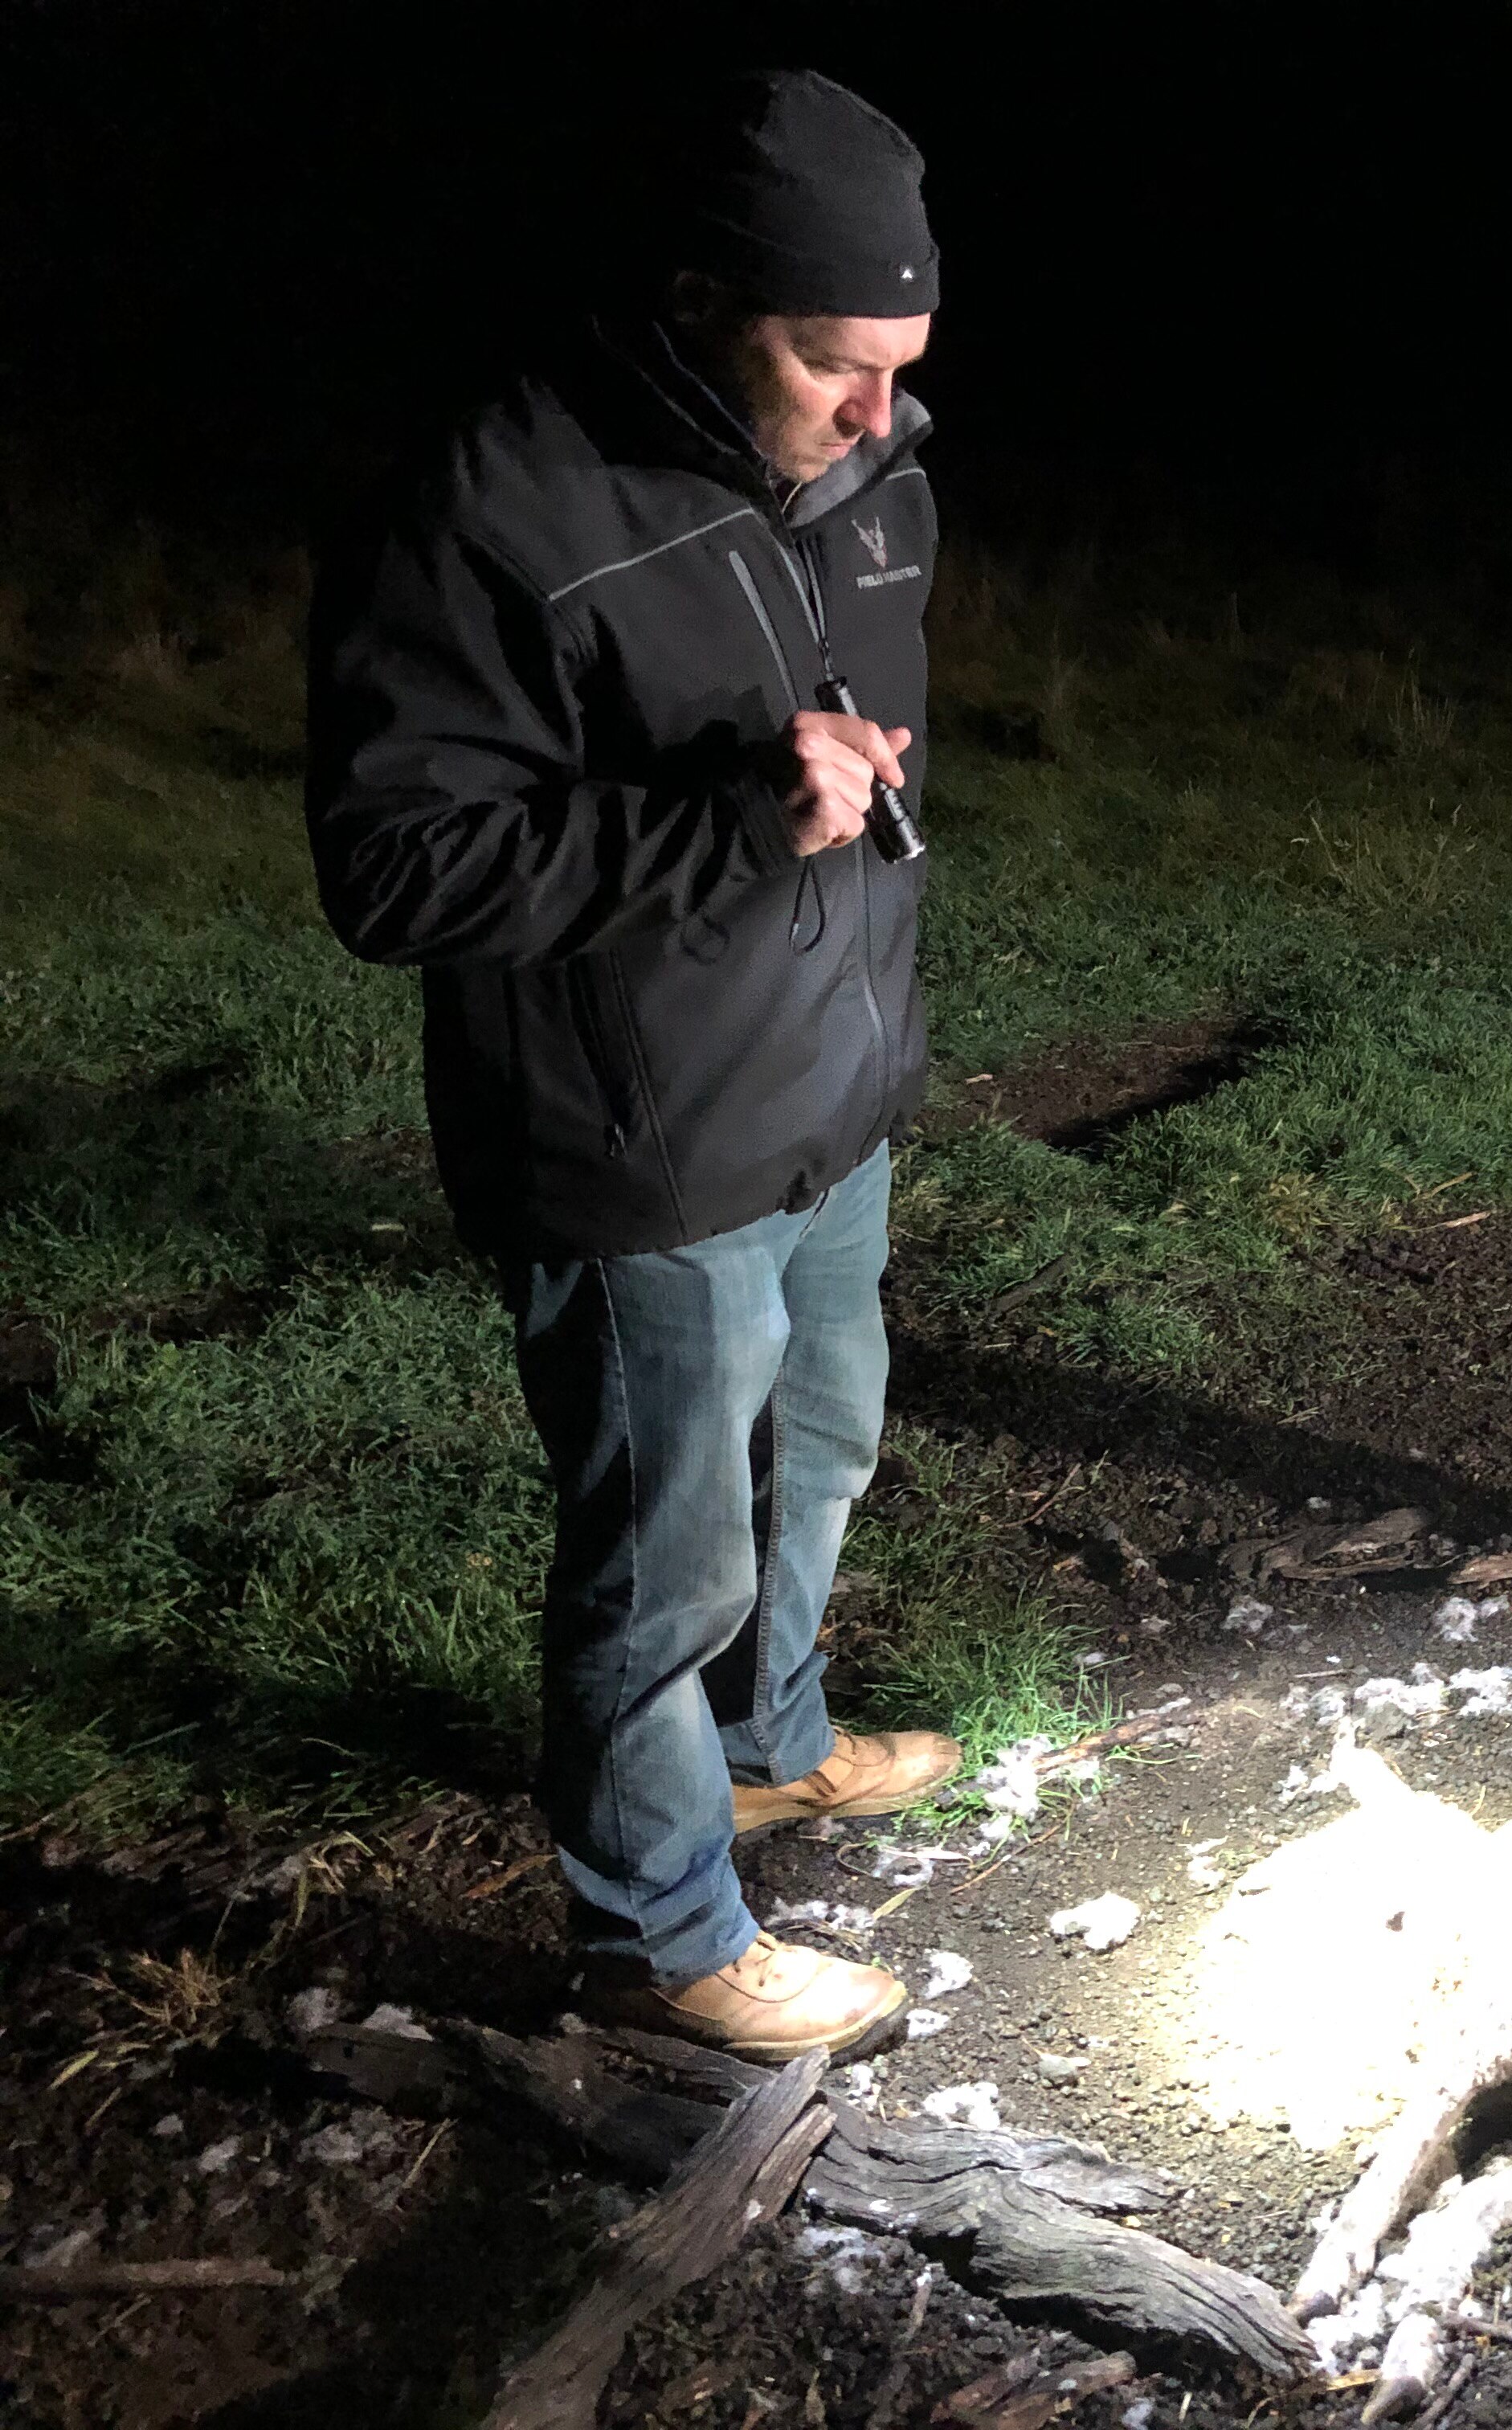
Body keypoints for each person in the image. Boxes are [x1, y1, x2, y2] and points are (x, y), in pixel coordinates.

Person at [306, 70, 962, 2056]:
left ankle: (770, 1746)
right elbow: (394, 866)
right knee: (658, 1564)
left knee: (820, 1459)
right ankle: (658, 1930)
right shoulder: (497, 504)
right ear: (701, 303)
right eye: (833, 366)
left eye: (906, 365)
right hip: (634, 1145)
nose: (882, 413)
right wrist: (729, 821)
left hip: (824, 1113)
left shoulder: (880, 473)